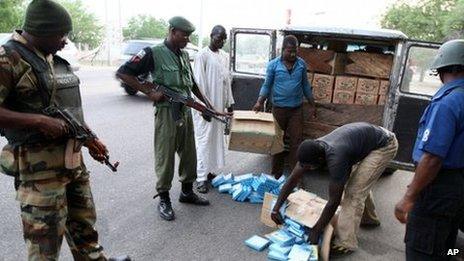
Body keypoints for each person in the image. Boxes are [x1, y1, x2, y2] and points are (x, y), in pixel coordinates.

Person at [0, 1, 129, 260]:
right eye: (61, 34)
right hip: (40, 174)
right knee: (44, 246)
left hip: (72, 162)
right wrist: (38, 122)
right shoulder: (8, 60)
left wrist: (90, 139)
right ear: (40, 31)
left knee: (84, 228)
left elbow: (67, 110)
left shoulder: (52, 59)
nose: (66, 41)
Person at [116, 16, 223, 221]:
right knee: (165, 157)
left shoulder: (183, 55)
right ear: (172, 31)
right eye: (184, 35)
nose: (187, 39)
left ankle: (186, 192)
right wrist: (149, 93)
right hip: (166, 112)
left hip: (184, 110)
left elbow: (191, 84)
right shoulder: (152, 53)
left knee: (189, 154)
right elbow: (124, 73)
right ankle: (164, 198)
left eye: (189, 36)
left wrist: (206, 105)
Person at [270, 122, 398, 256]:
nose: (307, 169)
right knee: (359, 184)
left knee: (352, 193)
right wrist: (276, 208)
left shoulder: (336, 159)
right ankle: (369, 219)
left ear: (320, 159)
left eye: (310, 167)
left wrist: (316, 230)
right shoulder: (310, 150)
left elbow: (333, 201)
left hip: (384, 145)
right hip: (365, 141)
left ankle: (346, 243)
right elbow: (291, 180)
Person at [394, 39, 464, 261]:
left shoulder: (447, 103)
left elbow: (433, 158)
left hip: (437, 190)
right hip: (457, 190)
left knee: (421, 249)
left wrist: (408, 197)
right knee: (447, 246)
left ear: (448, 68)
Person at [252, 35, 316, 179]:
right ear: (282, 50)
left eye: (295, 51)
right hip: (278, 110)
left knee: (296, 143)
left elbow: (305, 86)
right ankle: (276, 174)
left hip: (296, 111)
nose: (293, 54)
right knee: (277, 142)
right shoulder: (273, 65)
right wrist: (259, 102)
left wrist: (312, 104)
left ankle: (295, 176)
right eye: (289, 51)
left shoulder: (301, 64)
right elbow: (267, 85)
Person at [192, 25, 234, 193]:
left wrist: (230, 103)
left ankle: (208, 172)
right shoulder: (202, 55)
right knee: (203, 142)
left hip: (219, 107)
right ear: (211, 36)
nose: (221, 41)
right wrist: (204, 108)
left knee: (214, 141)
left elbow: (226, 82)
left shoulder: (224, 56)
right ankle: (200, 179)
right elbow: (198, 85)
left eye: (224, 39)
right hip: (205, 108)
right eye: (219, 38)